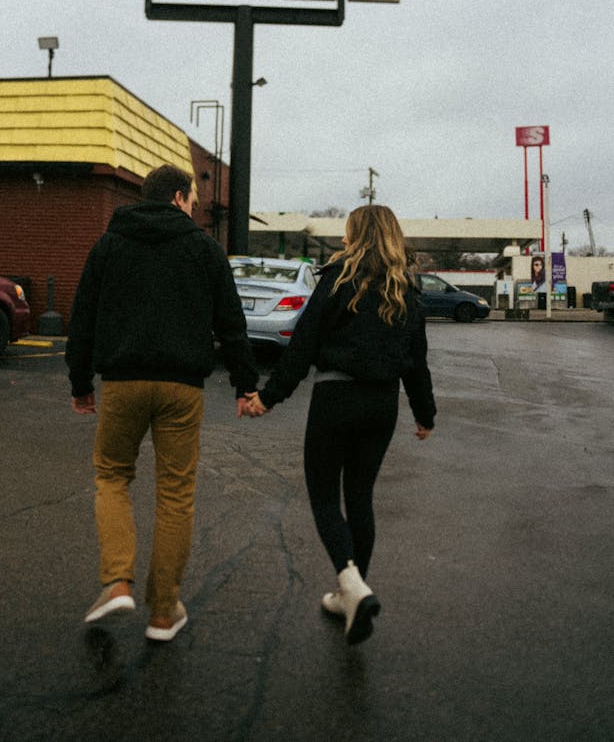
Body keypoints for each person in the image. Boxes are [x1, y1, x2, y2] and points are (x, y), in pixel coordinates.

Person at [66, 164, 258, 642]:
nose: (194, 206)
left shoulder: (109, 244)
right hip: (182, 389)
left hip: (123, 384)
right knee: (175, 494)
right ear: (177, 197)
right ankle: (163, 612)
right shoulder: (205, 249)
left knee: (111, 475)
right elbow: (231, 323)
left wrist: (80, 382)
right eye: (192, 198)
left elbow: (83, 316)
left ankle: (116, 581)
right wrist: (245, 384)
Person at [241, 204, 436, 646]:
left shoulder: (338, 279)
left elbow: (303, 345)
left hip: (336, 398)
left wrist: (269, 397)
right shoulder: (405, 289)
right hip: (381, 406)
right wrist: (425, 415)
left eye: (348, 232)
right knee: (360, 498)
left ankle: (351, 586)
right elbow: (416, 362)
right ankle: (351, 591)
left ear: (356, 235)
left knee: (326, 498)